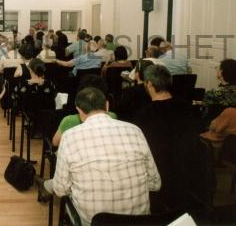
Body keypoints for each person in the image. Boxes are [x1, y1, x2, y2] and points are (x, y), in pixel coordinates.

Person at [35, 87, 161, 225]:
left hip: (93, 222)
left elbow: (60, 189)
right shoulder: (135, 130)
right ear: (107, 105)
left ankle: (45, 185)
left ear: (79, 111)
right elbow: (155, 183)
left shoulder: (70, 137)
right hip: (141, 221)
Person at [133, 64, 200, 212]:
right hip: (188, 172)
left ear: (149, 84)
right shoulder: (187, 108)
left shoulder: (144, 115)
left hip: (159, 177)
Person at [202, 58, 236, 124]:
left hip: (218, 128)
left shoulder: (212, 93)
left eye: (218, 68)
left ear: (221, 72)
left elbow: (205, 115)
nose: (216, 70)